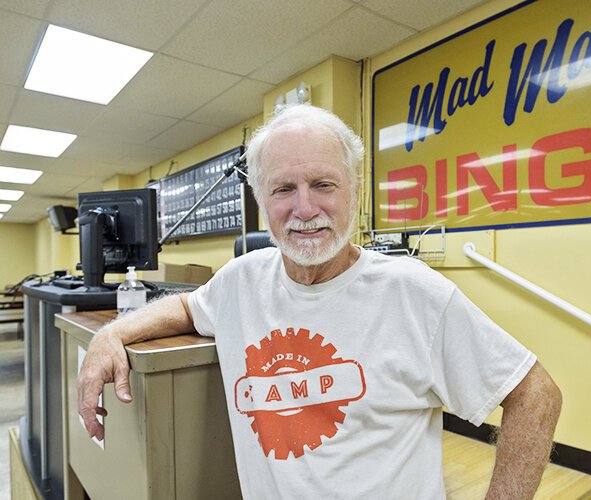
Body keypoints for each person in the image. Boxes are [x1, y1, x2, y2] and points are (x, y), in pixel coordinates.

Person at [78, 104, 562, 499]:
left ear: (354, 190)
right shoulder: (241, 281)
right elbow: (188, 308)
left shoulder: (414, 292)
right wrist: (112, 334)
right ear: (262, 200)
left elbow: (535, 395)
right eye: (283, 189)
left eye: (324, 185)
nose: (305, 209)